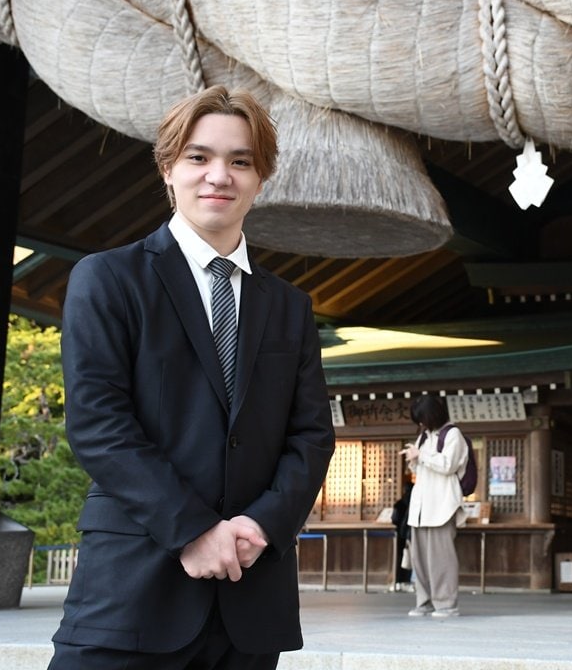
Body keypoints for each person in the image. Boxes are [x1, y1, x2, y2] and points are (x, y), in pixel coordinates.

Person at [50, 85, 336, 669]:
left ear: (261, 178)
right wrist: (193, 530)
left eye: (241, 161)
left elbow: (311, 435)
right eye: (198, 157)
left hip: (251, 598)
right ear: (168, 168)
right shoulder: (109, 280)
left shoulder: (290, 307)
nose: (219, 176)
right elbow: (99, 425)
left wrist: (262, 525)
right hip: (131, 593)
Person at [402, 395, 468, 618]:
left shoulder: (453, 435)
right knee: (419, 559)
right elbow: (420, 471)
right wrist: (414, 460)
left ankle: (446, 604)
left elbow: (448, 465)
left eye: (422, 419)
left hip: (442, 505)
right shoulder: (424, 437)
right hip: (420, 508)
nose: (421, 424)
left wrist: (421, 455)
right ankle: (425, 601)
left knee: (442, 559)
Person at [391, 479, 415, 591]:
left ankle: (398, 581)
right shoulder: (415, 503)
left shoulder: (399, 504)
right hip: (411, 534)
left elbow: (394, 519)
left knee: (401, 557)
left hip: (400, 534)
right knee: (411, 558)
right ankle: (408, 581)